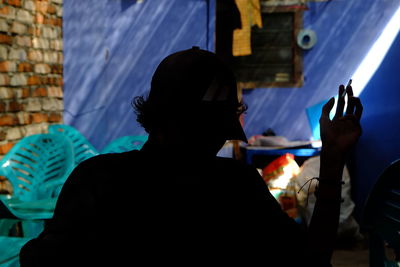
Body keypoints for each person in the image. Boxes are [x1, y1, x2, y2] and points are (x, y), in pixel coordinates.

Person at [20, 47, 363, 266]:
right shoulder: (235, 186)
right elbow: (312, 258)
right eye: (207, 131)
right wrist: (331, 165)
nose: (212, 143)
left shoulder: (97, 178)